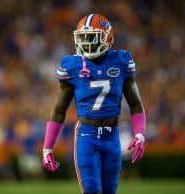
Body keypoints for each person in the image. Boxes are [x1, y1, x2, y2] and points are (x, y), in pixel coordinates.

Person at [42, 13, 146, 194]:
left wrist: (140, 134)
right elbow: (59, 109)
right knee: (91, 191)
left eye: (91, 38)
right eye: (83, 38)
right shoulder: (72, 65)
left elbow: (135, 103)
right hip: (86, 137)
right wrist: (47, 147)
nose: (86, 43)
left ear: (107, 38)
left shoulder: (121, 61)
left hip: (112, 137)